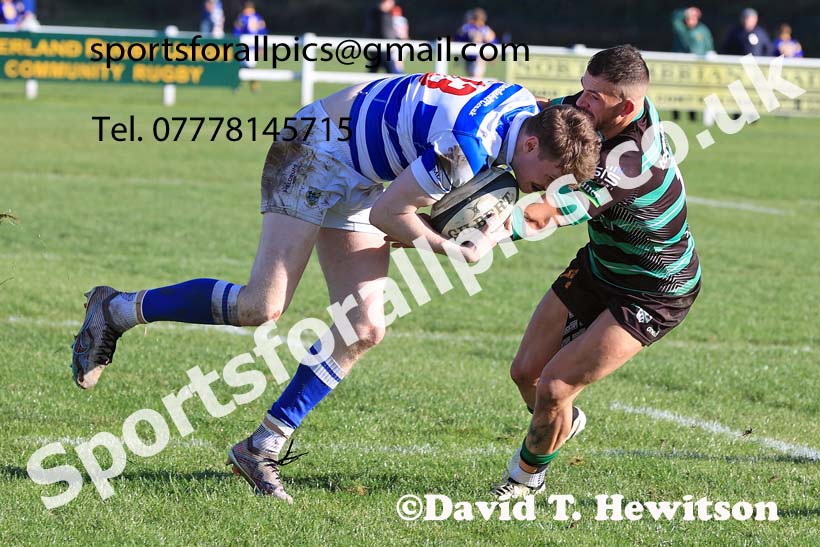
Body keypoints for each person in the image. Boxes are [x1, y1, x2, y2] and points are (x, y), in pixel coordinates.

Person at [71, 72, 601, 502]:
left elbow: (396, 199)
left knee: (365, 327)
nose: (533, 188)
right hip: (316, 153)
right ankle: (115, 310)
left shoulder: (524, 104)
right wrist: (456, 249)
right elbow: (392, 216)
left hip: (365, 170)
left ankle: (261, 446)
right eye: (540, 176)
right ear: (529, 141)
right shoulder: (465, 148)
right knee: (262, 306)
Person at [490, 45, 701, 499]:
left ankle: (525, 479)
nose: (580, 103)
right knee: (525, 372)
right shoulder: (602, 110)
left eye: (592, 98)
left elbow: (542, 215)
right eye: (583, 90)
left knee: (554, 385)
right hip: (602, 264)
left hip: (656, 289)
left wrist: (448, 236)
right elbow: (547, 116)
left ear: (625, 107)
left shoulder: (628, 164)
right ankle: (566, 421)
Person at [671, 6, 714, 122]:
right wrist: (685, 11)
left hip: (697, 68)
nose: (690, 20)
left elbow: (709, 46)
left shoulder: (703, 30)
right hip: (681, 68)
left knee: (693, 92)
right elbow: (674, 19)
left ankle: (692, 117)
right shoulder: (682, 29)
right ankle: (676, 116)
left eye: (692, 18)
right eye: (688, 18)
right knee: (678, 92)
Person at [233, 1, 267, 92]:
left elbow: (237, 31)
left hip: (250, 47)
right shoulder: (259, 17)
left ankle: (241, 84)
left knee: (247, 66)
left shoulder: (243, 18)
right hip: (250, 47)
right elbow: (263, 32)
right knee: (244, 65)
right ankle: (240, 84)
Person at [455, 8, 497, 79]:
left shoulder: (485, 30)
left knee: (475, 79)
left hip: (479, 59)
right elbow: (458, 38)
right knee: (472, 79)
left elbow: (493, 42)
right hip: (468, 57)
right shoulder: (467, 27)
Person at [365, 0, 402, 74]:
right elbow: (386, 33)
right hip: (383, 49)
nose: (393, 4)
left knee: (372, 72)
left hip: (376, 48)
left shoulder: (374, 13)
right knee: (394, 73)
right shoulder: (382, 15)